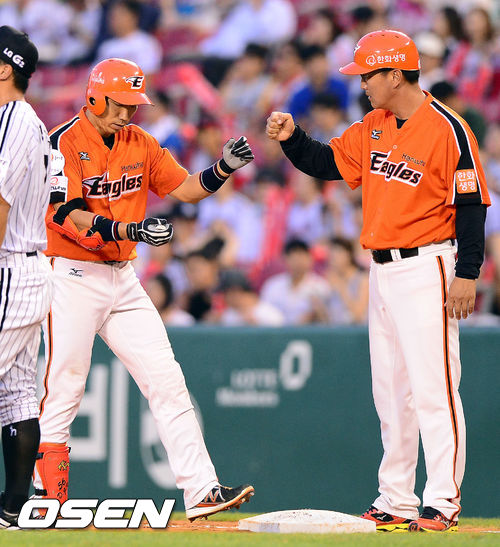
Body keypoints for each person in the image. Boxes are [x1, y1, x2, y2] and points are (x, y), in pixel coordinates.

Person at [266, 29, 490, 532]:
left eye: (368, 74)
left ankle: (442, 501)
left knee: (434, 389)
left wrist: (467, 273)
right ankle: (396, 498)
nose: (362, 82)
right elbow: (327, 162)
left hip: (428, 264)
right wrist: (293, 138)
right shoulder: (374, 124)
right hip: (382, 269)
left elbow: (471, 203)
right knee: (390, 393)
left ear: (395, 74)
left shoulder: (448, 128)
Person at [34, 57, 255, 521]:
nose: (127, 113)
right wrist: (129, 230)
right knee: (65, 385)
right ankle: (46, 498)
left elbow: (186, 189)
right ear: (95, 96)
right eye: (119, 103)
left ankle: (202, 490)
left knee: (167, 380)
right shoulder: (63, 142)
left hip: (122, 277)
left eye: (133, 104)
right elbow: (65, 213)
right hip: (72, 274)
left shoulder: (141, 141)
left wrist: (223, 168)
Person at [0, 26, 53, 528]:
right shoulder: (31, 122)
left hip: (11, 268)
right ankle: (15, 507)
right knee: (16, 393)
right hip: (29, 267)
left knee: (15, 392)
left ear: (4, 69)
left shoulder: (12, 119)